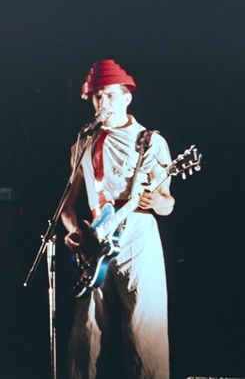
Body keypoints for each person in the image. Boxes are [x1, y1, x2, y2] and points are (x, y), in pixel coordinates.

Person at [61, 59, 174, 378]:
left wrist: (159, 201)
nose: (102, 103)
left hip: (138, 231)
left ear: (127, 97)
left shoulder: (151, 141)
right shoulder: (83, 142)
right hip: (96, 236)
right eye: (97, 97)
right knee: (85, 329)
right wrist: (74, 232)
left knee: (144, 323)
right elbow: (66, 206)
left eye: (109, 95)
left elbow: (167, 203)